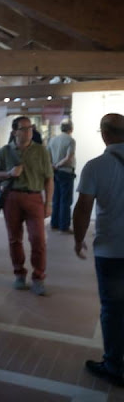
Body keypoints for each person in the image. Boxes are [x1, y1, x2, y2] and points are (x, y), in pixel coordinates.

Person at [73, 113, 124, 386]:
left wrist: (78, 239)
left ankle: (114, 366)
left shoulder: (96, 166)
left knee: (113, 309)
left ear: (104, 134)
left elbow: (83, 208)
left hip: (111, 249)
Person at [0, 116, 53, 296]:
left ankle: (38, 277)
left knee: (38, 239)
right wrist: (8, 173)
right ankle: (19, 274)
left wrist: (49, 203)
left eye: (30, 128)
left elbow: (49, 179)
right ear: (14, 132)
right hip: (11, 198)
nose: (28, 132)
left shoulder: (41, 151)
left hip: (34, 198)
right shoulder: (5, 151)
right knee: (14, 239)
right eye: (23, 128)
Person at [47, 121, 76, 233]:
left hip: (55, 172)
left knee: (56, 199)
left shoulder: (53, 140)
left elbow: (48, 156)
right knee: (65, 200)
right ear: (71, 129)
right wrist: (58, 165)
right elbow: (69, 157)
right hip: (66, 172)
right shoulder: (70, 140)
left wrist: (53, 166)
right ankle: (64, 226)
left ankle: (54, 223)